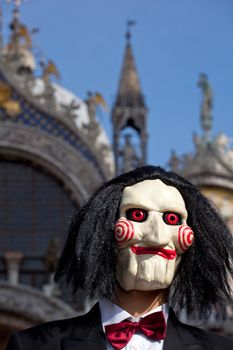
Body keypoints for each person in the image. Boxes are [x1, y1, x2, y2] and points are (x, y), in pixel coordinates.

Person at [6, 166, 233, 349]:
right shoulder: (35, 345)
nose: (156, 236)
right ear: (102, 230)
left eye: (172, 219)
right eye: (137, 215)